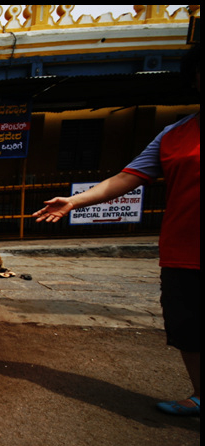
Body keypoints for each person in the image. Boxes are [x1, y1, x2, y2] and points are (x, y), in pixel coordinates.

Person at [33, 44, 200, 417]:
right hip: (184, 252)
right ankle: (200, 394)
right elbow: (126, 178)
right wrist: (74, 202)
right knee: (187, 327)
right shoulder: (175, 135)